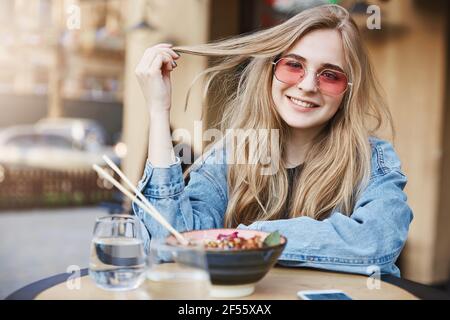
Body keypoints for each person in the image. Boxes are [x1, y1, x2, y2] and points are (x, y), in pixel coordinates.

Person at [132, 4, 413, 277]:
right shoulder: (228, 155)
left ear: (347, 91)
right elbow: (170, 244)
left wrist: (247, 239)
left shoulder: (372, 159)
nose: (307, 85)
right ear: (270, 70)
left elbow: (376, 242)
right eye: (294, 65)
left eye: (330, 75)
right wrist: (158, 112)